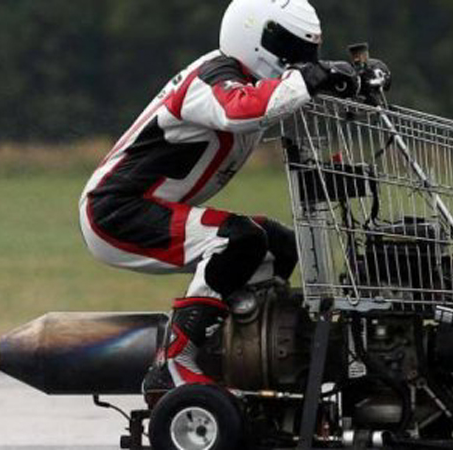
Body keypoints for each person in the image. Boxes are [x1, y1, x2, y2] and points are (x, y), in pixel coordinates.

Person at [78, 0, 358, 397]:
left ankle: (250, 352)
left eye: (306, 52)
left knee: (278, 245)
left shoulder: (248, 79)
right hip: (115, 211)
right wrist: (311, 77)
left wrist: (352, 80)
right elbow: (239, 109)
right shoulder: (211, 78)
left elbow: (287, 95)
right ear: (253, 34)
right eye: (291, 49)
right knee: (236, 240)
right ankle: (173, 363)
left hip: (142, 206)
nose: (297, 61)